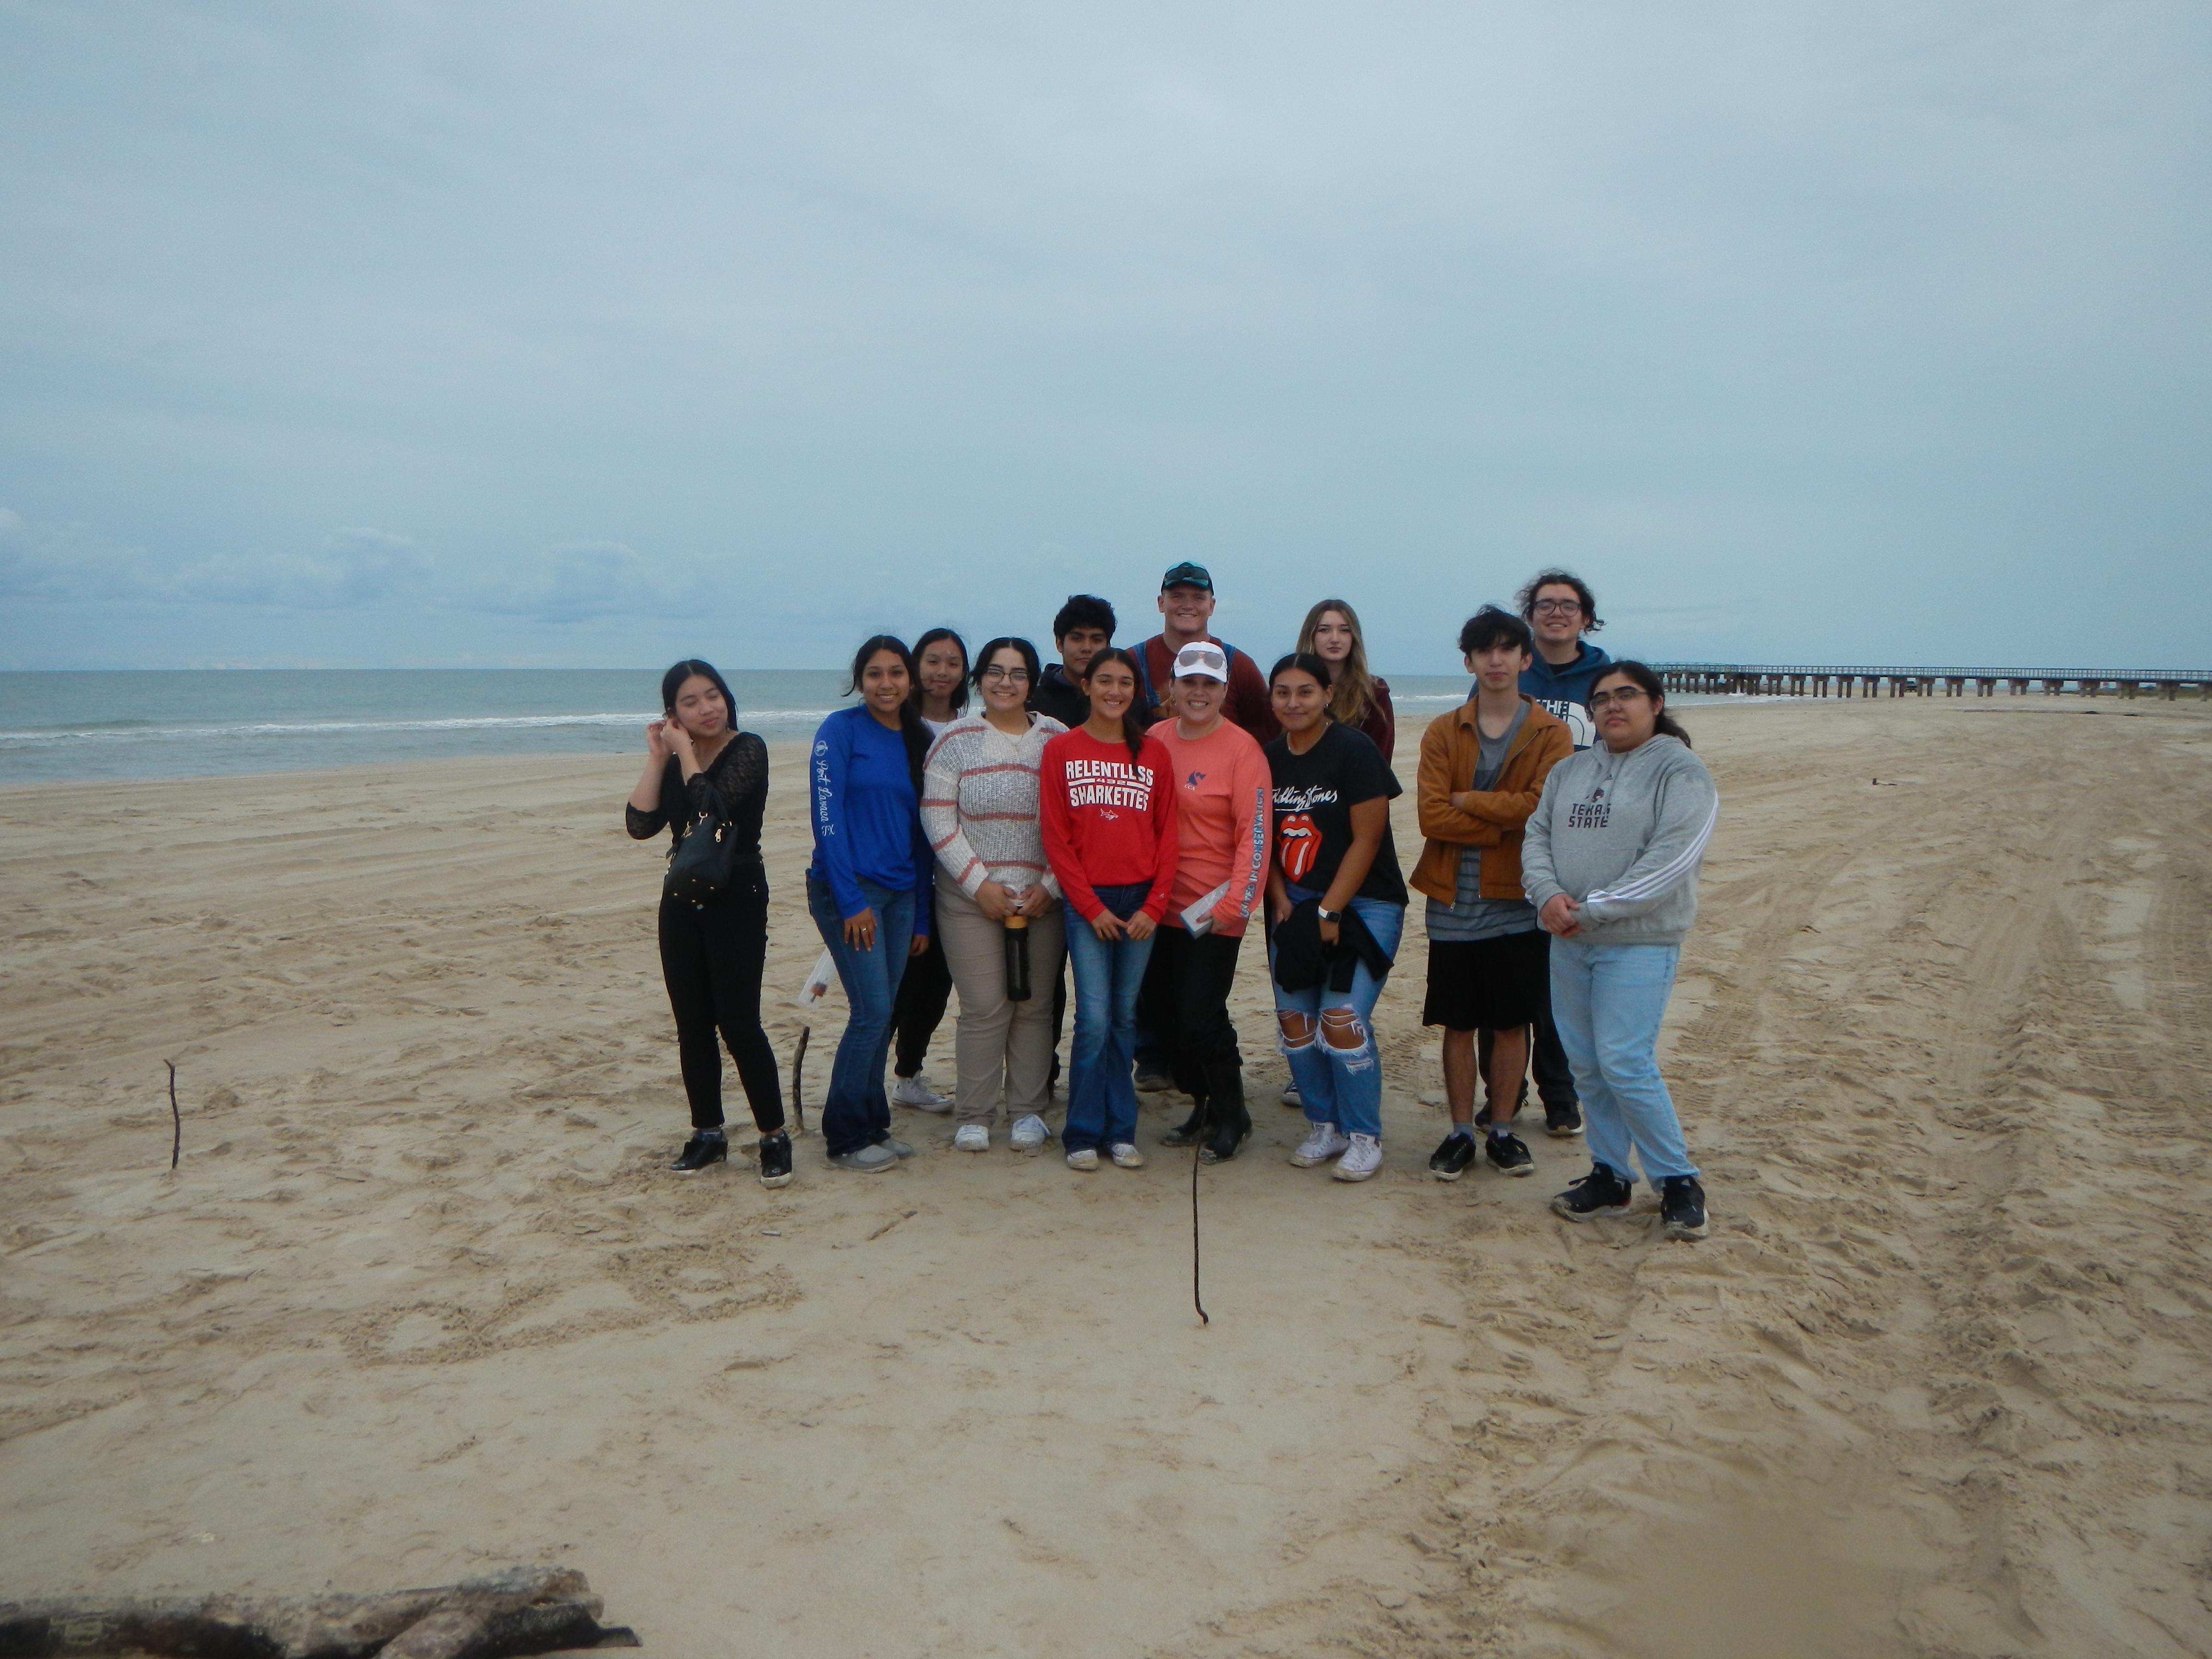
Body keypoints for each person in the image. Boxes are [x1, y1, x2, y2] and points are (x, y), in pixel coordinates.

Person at [1523, 661, 1718, 1241]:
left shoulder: (1681, 771)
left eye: (1626, 695)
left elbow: (1674, 857)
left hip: (1636, 942)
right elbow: (1537, 835)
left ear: (1655, 703)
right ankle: (1610, 1176)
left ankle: (1679, 1181)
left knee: (1625, 1062)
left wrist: (1593, 909)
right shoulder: (1570, 770)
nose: (1613, 706)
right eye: (1601, 698)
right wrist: (1548, 896)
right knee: (1586, 1064)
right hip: (1568, 940)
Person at [1413, 608, 1573, 1182]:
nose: (1497, 659)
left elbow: (1540, 808)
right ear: (1469, 661)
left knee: (1511, 1023)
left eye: (1509, 649)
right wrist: (1498, 816)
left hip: (1519, 898)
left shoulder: (1552, 732)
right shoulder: (1442, 730)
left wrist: (1469, 801)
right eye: (1486, 650)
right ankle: (1460, 1131)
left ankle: (1502, 1130)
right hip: (1452, 896)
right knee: (1458, 1023)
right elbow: (1432, 816)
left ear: (1527, 659)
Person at [626, 660, 792, 1188]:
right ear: (672, 712)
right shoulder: (674, 756)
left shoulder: (749, 748)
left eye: (713, 695)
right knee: (692, 1024)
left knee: (739, 1022)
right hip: (682, 897)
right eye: (691, 702)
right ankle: (708, 1133)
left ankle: (773, 1136)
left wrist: (683, 753)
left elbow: (713, 809)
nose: (706, 708)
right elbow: (641, 824)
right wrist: (658, 758)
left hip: (737, 895)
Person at [1474, 569, 1612, 1138]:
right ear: (1529, 616)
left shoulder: (1604, 677)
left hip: (1579, 843)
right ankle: (1501, 1096)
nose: (1557, 613)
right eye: (1545, 604)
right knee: (1501, 979)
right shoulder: (1506, 668)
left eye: (1569, 605)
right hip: (1510, 845)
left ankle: (1561, 1095)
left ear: (1585, 617)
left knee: (1560, 981)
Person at [1263, 653, 1408, 1182]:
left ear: (1327, 695)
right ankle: (1324, 1125)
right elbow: (1266, 841)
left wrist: (1330, 910)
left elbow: (1368, 839)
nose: (1294, 702)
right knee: (1296, 1023)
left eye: (1305, 691)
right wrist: (1281, 899)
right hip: (1294, 902)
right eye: (1283, 692)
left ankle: (1364, 1136)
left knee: (1341, 1019)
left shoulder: (1354, 750)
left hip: (1366, 903)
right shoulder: (1269, 757)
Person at [920, 637, 1069, 1153]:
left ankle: (1028, 1111)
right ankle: (975, 1113)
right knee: (985, 1005)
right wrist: (978, 884)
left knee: (1034, 1004)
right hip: (969, 898)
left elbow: (1075, 823)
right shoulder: (956, 740)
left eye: (1018, 673)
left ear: (1032, 682)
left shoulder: (1056, 738)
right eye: (995, 672)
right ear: (979, 679)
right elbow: (938, 817)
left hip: (1042, 897)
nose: (1006, 683)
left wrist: (1050, 886)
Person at [1040, 648, 1178, 1171]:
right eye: (1105, 681)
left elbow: (1169, 837)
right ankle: (1082, 1133)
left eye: (1125, 682)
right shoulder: (1063, 751)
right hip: (1088, 904)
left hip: (1142, 901)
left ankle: (1122, 1131)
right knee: (1094, 1019)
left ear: (1136, 690)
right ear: (1087, 686)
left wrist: (1155, 904)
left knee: (1125, 1018)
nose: (1114, 691)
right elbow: (1057, 839)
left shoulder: (1153, 755)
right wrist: (1090, 906)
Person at [806, 635, 935, 1173]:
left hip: (903, 893)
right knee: (871, 1013)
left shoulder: (918, 736)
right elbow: (826, 818)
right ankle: (844, 1135)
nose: (887, 684)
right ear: (860, 680)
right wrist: (851, 897)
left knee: (885, 1016)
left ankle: (874, 1123)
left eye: (897, 673)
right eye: (876, 674)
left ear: (911, 680)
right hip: (848, 892)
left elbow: (924, 831)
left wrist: (924, 912)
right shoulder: (840, 731)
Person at [1142, 642, 1273, 1163]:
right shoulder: (1152, 739)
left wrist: (1235, 906)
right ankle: (1202, 1105)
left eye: (1209, 684)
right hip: (1155, 908)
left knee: (1201, 1016)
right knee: (1167, 1018)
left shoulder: (1243, 751)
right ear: (1172, 687)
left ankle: (1233, 1111)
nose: (1198, 692)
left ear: (1223, 691)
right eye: (1189, 682)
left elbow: (1256, 836)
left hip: (1213, 910)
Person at [887, 627, 969, 1113]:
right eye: (933, 661)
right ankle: (864, 1076)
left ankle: (908, 1076)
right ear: (916, 667)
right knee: (895, 985)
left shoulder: (969, 725)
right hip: (900, 870)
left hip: (953, 876)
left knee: (936, 985)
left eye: (953, 663)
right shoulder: (898, 723)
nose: (942, 672)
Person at [1132, 562, 1278, 745]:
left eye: (1198, 598)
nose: (1187, 605)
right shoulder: (1131, 663)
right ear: (1161, 603)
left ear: (1211, 606)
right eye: (1177, 597)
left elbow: (1267, 738)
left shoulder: (1241, 667)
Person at [1297, 599, 1396, 761]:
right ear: (1311, 636)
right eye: (1324, 630)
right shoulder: (1290, 694)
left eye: (1344, 630)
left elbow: (1380, 761)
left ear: (1354, 638)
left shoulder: (1374, 694)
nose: (1335, 639)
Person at [1032, 594, 1115, 729]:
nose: (1086, 648)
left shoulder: (1120, 702)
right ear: (1059, 643)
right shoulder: (1033, 704)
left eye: (1096, 640)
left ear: (1108, 646)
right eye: (1077, 639)